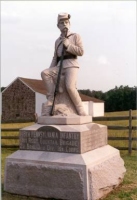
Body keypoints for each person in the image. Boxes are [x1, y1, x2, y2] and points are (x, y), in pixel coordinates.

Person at [41, 12, 86, 116]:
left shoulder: (75, 36)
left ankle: (80, 109)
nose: (64, 24)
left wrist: (68, 45)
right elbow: (55, 58)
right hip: (59, 66)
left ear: (69, 23)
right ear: (58, 26)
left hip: (71, 65)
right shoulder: (57, 41)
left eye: (66, 22)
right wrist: (50, 71)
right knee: (44, 73)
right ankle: (52, 97)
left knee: (70, 86)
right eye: (62, 23)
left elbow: (81, 52)